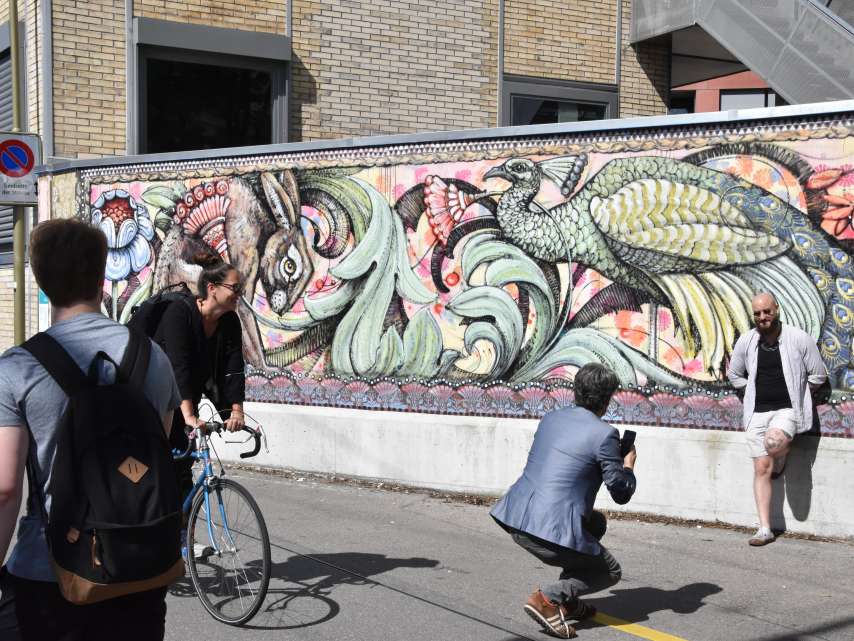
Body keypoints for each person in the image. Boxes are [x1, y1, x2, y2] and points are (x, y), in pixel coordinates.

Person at [0, 219, 181, 641]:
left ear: (41, 280)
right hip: (139, 571)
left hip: (49, 574)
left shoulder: (18, 367)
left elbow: (6, 488)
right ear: (103, 277)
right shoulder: (152, 356)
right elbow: (159, 446)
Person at [490, 363, 637, 640]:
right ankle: (547, 599)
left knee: (596, 523)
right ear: (606, 401)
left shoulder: (551, 418)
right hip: (548, 529)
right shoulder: (605, 434)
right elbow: (620, 492)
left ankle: (568, 602)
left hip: (517, 516)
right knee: (611, 571)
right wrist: (627, 465)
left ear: (576, 391)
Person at [727, 291, 827, 547]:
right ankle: (764, 528)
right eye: (758, 313)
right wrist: (751, 388)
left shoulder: (798, 338)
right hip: (757, 412)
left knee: (773, 442)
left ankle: (781, 453)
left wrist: (801, 391)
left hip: (787, 410)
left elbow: (818, 374)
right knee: (761, 468)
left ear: (777, 310)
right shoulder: (747, 341)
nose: (763, 317)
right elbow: (734, 374)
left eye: (767, 311)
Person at [152, 253, 246, 508]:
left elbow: (233, 367)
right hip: (156, 398)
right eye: (235, 288)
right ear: (212, 289)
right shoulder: (179, 313)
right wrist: (189, 417)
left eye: (242, 288)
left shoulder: (229, 321)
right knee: (159, 470)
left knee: (182, 470)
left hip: (186, 398)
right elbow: (177, 367)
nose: (240, 293)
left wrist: (236, 411)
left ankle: (183, 538)